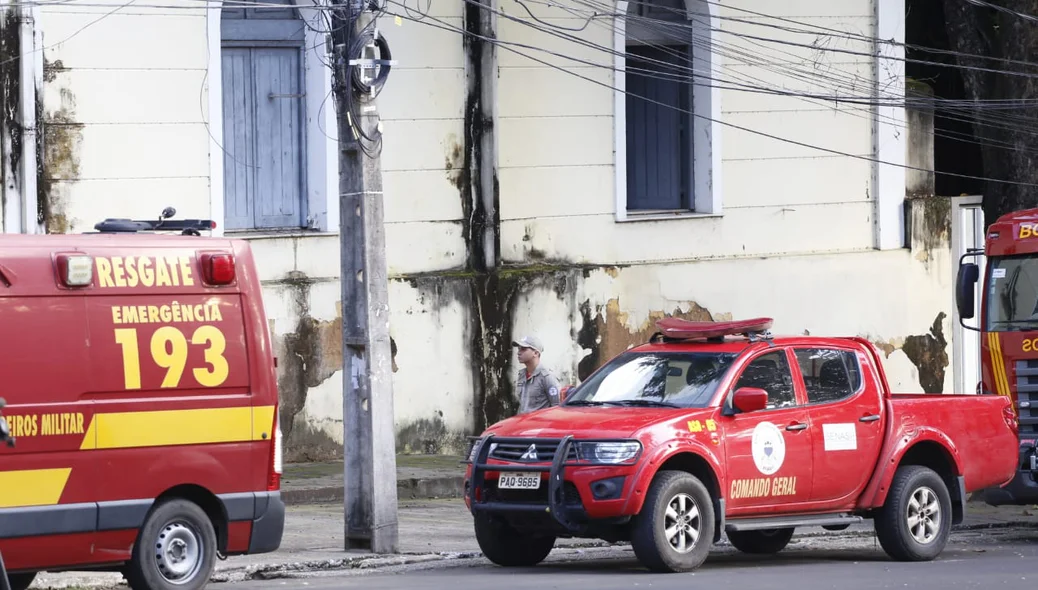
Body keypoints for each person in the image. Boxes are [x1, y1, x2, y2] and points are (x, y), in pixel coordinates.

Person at [513, 335, 561, 414]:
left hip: (539, 424)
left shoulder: (547, 377)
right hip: (523, 423)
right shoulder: (522, 375)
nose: (518, 352)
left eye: (523, 349)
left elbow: (556, 406)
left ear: (535, 353)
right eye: (519, 349)